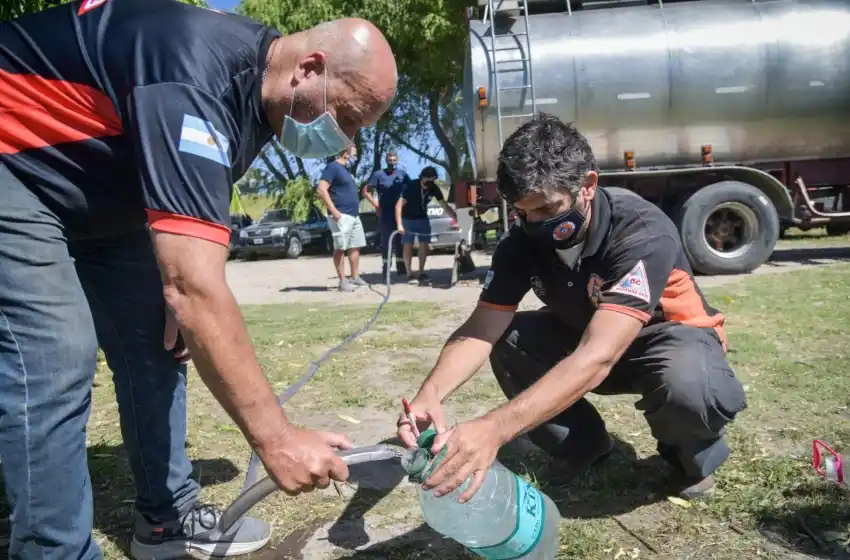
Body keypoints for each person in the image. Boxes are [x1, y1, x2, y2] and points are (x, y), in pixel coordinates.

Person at [0, 1, 397, 558]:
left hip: (99, 193)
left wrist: (175, 293)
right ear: (308, 68)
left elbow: (189, 238)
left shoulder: (260, 104)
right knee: (55, 352)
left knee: (159, 343)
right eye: (348, 118)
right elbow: (195, 289)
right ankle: (53, 550)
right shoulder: (193, 79)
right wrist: (276, 440)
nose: (344, 138)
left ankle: (167, 520)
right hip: (14, 163)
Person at [396, 114, 747, 505]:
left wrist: (495, 429)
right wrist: (430, 394)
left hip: (665, 342)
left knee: (687, 384)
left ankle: (689, 459)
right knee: (509, 341)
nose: (534, 223)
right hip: (589, 338)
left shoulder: (640, 231)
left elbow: (599, 355)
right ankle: (582, 445)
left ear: (588, 186)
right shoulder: (521, 243)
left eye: (546, 210)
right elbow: (481, 329)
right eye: (522, 212)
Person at [317, 145, 368, 292]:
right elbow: (321, 189)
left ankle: (355, 277)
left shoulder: (347, 171)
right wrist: (334, 211)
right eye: (354, 155)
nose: (356, 158)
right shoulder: (332, 167)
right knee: (340, 248)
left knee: (355, 246)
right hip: (340, 215)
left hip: (353, 215)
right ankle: (342, 281)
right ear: (346, 153)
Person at [395, 166, 457, 284]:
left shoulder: (433, 188)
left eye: (432, 181)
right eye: (427, 181)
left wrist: (456, 218)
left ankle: (421, 272)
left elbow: (444, 205)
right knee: (408, 245)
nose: (429, 184)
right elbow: (398, 206)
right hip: (407, 218)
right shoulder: (411, 187)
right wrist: (399, 224)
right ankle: (409, 273)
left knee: (424, 244)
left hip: (423, 218)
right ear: (422, 178)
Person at [362, 151, 409, 278]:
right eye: (390, 160)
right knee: (386, 242)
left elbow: (410, 189)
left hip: (400, 213)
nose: (392, 163)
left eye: (394, 160)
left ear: (397, 161)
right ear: (386, 161)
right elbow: (365, 191)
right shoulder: (378, 175)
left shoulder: (402, 174)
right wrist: (376, 205)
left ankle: (401, 268)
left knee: (401, 241)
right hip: (385, 213)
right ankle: (386, 268)